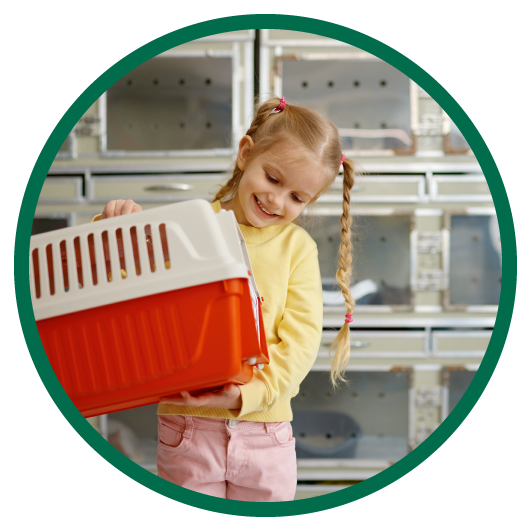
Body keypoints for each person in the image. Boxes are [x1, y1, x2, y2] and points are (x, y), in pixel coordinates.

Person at [94, 96, 356, 502]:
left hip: (266, 433)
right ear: (245, 154)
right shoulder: (188, 226)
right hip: (187, 427)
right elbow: (123, 284)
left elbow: (301, 345)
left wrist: (245, 395)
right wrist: (113, 230)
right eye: (272, 179)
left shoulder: (298, 248)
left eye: (297, 198)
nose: (277, 200)